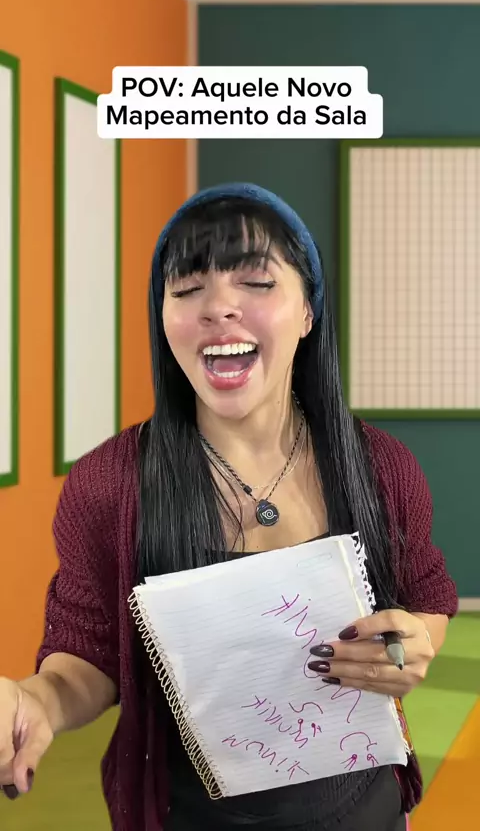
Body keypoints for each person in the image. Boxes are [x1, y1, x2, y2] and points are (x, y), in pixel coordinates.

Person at [0, 183, 457, 830]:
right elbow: (86, 658)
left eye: (257, 283)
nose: (218, 308)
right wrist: (37, 702)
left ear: (309, 312)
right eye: (187, 289)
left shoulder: (381, 467)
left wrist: (411, 645)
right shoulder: (110, 484)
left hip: (367, 812)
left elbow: (425, 598)